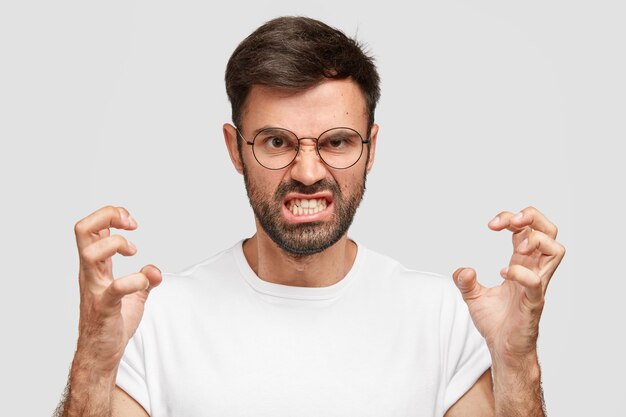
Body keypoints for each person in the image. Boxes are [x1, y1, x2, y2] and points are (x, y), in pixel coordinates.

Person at [55, 16, 565, 417]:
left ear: (370, 148)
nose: (306, 171)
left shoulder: (444, 319)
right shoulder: (153, 321)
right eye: (276, 142)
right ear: (235, 150)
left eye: (337, 142)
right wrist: (94, 366)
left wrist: (517, 365)